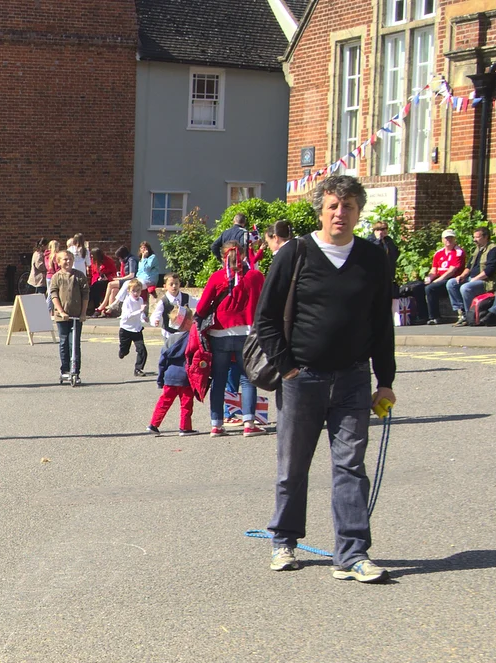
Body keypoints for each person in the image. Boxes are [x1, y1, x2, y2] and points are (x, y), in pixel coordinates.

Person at [254, 174, 396, 582]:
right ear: (320, 209)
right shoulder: (295, 252)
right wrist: (287, 367)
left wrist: (384, 379)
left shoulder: (372, 257)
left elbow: (381, 325)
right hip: (303, 378)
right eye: (333, 205)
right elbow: (265, 319)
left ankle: (351, 554)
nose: (340, 213)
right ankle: (284, 540)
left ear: (359, 212)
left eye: (348, 206)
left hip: (353, 379)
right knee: (293, 465)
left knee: (351, 466)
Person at [195, 241, 265, 436]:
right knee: (247, 379)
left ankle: (216, 424)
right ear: (242, 255)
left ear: (223, 257)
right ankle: (249, 424)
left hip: (219, 333)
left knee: (219, 378)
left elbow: (201, 309)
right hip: (246, 333)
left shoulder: (217, 277)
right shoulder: (255, 277)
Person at [146, 306, 198, 435]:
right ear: (187, 322)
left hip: (169, 376)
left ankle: (153, 424)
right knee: (186, 403)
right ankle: (185, 427)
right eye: (192, 319)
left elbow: (162, 361)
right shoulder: (191, 338)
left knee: (164, 401)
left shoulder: (170, 339)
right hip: (185, 377)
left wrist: (160, 379)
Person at [48, 249, 87, 386]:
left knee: (74, 343)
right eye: (65, 259)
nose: (68, 261)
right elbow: (53, 295)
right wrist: (61, 311)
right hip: (62, 317)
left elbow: (85, 295)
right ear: (58, 262)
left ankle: (75, 370)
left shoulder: (79, 276)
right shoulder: (56, 277)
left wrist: (83, 313)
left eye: (70, 259)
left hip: (76, 316)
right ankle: (64, 368)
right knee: (64, 342)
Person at [446, 226, 496, 325]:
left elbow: (489, 270)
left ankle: (470, 315)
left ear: (486, 237)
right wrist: (461, 276)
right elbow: (469, 266)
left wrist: (474, 279)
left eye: (477, 237)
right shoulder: (477, 249)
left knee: (466, 288)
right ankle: (461, 313)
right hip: (472, 278)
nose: (474, 240)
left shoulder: (494, 249)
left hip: (485, 281)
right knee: (451, 283)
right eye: (474, 237)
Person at [416, 228, 465, 325]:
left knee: (431, 288)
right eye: (446, 238)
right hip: (439, 279)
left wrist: (437, 280)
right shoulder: (438, 253)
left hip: (451, 280)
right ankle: (423, 316)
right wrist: (429, 278)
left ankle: (435, 317)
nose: (448, 240)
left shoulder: (458, 252)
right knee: (418, 288)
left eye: (451, 238)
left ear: (455, 239)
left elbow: (451, 271)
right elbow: (434, 270)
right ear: (442, 240)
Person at [115, 278, 149, 376]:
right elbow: (126, 316)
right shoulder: (127, 302)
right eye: (133, 291)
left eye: (138, 290)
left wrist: (144, 318)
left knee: (142, 350)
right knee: (125, 350)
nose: (136, 293)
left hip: (137, 329)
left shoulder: (141, 300)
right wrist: (139, 311)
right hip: (126, 329)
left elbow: (140, 314)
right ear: (129, 291)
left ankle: (138, 369)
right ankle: (122, 351)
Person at [95, 245, 137, 314]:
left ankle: (103, 304)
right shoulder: (125, 261)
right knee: (114, 290)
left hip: (131, 281)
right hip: (126, 280)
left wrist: (120, 279)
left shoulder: (131, 260)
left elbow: (131, 275)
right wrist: (119, 277)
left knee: (110, 284)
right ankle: (109, 310)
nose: (119, 259)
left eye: (119, 257)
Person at [150, 272, 191, 342]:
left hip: (183, 334)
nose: (174, 286)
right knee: (169, 352)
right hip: (169, 334)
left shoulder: (186, 297)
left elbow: (199, 302)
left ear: (179, 284)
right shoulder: (164, 301)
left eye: (176, 283)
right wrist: (155, 321)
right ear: (165, 286)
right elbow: (156, 314)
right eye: (171, 284)